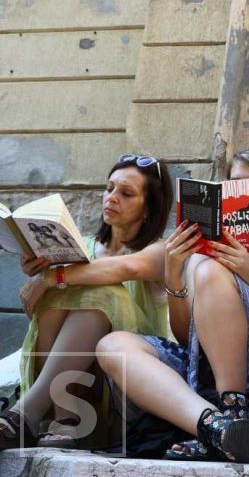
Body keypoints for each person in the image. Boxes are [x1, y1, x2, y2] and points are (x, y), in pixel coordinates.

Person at [97, 148, 249, 462]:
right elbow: (185, 338)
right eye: (235, 184)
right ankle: (217, 427)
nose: (244, 193)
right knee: (112, 346)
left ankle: (235, 414)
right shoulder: (209, 245)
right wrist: (174, 275)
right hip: (206, 368)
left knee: (208, 267)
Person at [0, 154, 173, 450]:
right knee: (68, 286)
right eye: (109, 188)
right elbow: (43, 325)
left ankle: (25, 416)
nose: (112, 198)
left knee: (103, 290)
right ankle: (65, 419)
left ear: (149, 208)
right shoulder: (84, 247)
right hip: (62, 401)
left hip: (121, 394)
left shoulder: (161, 251)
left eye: (126, 193)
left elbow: (127, 269)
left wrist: (48, 279)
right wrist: (39, 268)